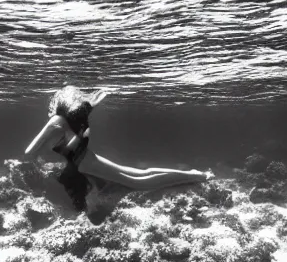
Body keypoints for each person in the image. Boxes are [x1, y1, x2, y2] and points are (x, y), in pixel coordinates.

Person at [24, 85, 211, 222]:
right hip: (88, 158)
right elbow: (73, 144)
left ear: (58, 103)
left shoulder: (56, 122)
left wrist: (39, 163)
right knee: (140, 174)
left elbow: (29, 152)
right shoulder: (73, 120)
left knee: (139, 183)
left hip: (85, 163)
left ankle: (197, 176)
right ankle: (194, 174)